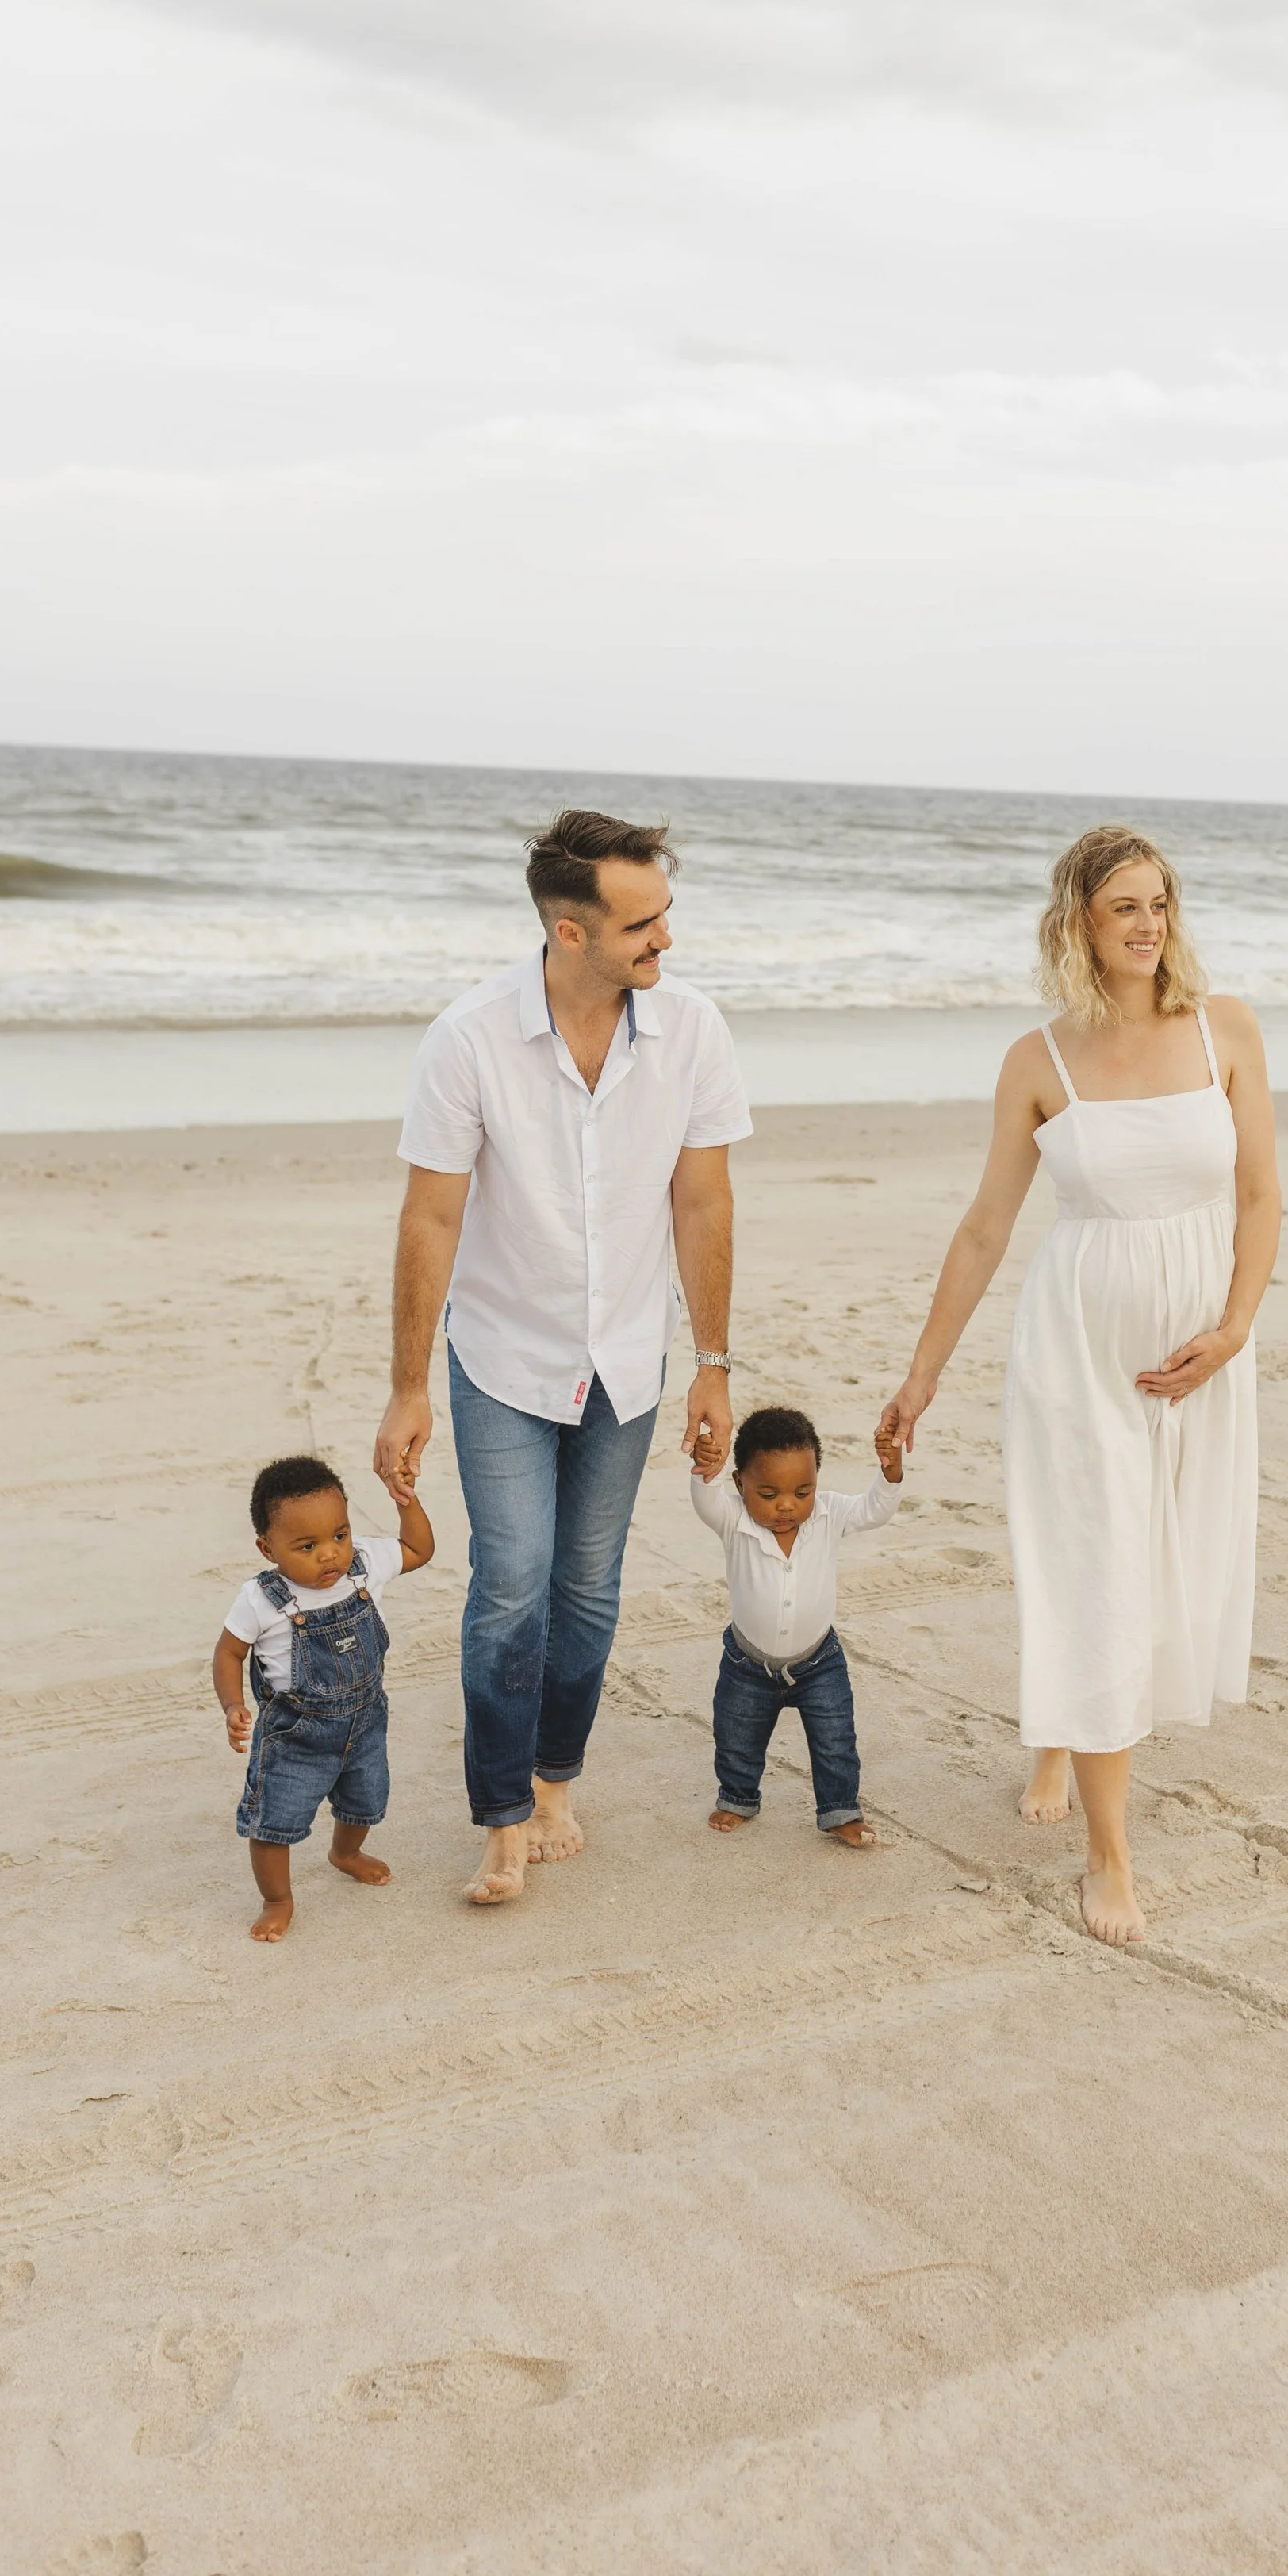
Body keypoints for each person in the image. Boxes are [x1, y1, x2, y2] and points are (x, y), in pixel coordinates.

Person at [880, 826, 1281, 1948]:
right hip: (1076, 1354)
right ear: (1078, 921)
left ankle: (1062, 1733)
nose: (1148, 925)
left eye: (1160, 903)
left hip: (1202, 1358)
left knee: (1162, 1568)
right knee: (1100, 1574)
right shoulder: (1037, 1062)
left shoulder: (1226, 1029)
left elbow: (1261, 1198)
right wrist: (919, 1380)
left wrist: (1234, 1329)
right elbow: (984, 1229)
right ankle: (1110, 1854)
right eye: (1124, 908)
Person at [376, 806, 750, 1906]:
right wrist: (408, 1387)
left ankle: (553, 1782)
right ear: (570, 931)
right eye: (642, 924)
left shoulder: (693, 1033)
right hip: (502, 1356)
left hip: (630, 1360)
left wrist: (714, 1360)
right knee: (509, 1587)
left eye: (667, 915)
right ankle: (498, 1817)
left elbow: (705, 1199)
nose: (665, 941)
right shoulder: (469, 1039)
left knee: (587, 1590)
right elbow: (429, 1221)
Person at [213, 1453, 434, 1943]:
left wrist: (407, 1500)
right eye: (307, 1545)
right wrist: (233, 1706)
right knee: (274, 1819)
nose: (330, 1554)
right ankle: (278, 1898)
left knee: (365, 1801)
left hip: (366, 1721)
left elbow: (419, 1549)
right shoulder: (261, 1599)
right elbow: (228, 1654)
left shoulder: (365, 1566)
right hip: (297, 1733)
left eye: (339, 1535)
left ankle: (345, 1853)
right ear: (268, 1548)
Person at [689, 1403, 904, 1846]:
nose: (787, 1505)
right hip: (747, 1664)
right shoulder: (733, 1519)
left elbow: (874, 1511)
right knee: (735, 1736)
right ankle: (737, 1797)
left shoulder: (828, 1515)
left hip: (819, 1661)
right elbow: (704, 1500)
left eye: (803, 1491)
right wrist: (703, 1469)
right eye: (768, 1495)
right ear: (740, 1484)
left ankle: (841, 1810)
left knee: (835, 1741)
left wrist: (890, 1471)